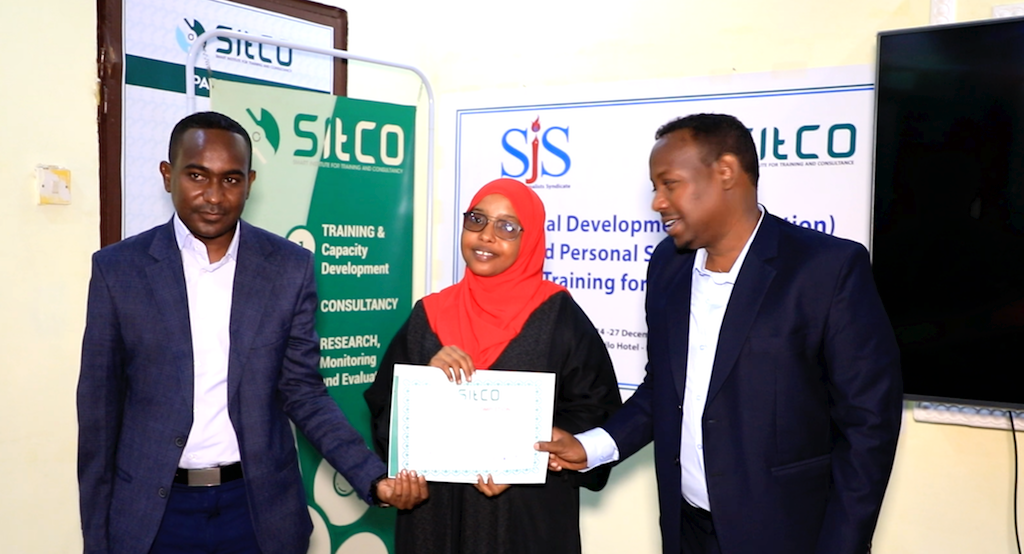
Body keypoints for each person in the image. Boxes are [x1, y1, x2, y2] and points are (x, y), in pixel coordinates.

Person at [537, 113, 902, 554]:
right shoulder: (667, 267)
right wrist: (592, 447)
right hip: (687, 530)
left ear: (725, 171)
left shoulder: (826, 269)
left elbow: (868, 428)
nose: (658, 202)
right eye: (655, 188)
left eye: (669, 184)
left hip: (789, 536)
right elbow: (664, 390)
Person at [77, 111, 427, 554]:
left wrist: (372, 476)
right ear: (168, 176)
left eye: (231, 180)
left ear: (250, 181)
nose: (214, 196)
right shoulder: (118, 270)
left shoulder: (288, 267)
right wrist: (96, 539)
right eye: (197, 175)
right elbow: (98, 417)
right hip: (154, 513)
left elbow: (303, 392)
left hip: (257, 510)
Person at [364, 178, 622, 554]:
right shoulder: (429, 314)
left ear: (529, 239)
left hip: (523, 515)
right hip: (434, 513)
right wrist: (428, 382)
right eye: (477, 220)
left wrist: (527, 454)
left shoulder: (558, 315)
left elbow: (596, 411)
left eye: (507, 227)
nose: (486, 236)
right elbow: (386, 408)